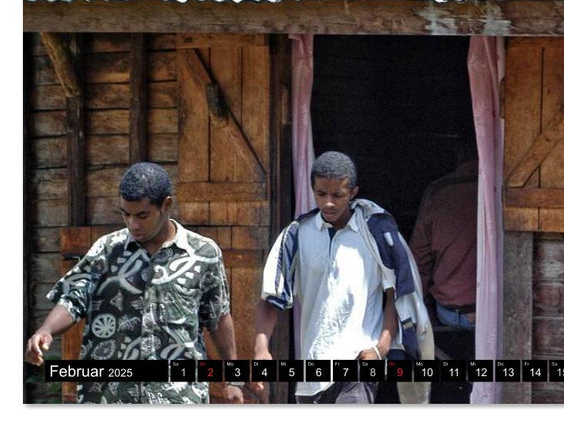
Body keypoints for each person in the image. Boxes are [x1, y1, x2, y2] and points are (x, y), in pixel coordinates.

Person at [24, 162, 243, 404]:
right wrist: (45, 330)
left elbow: (219, 317)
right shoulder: (106, 250)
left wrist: (232, 379)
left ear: (166, 205)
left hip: (179, 397)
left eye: (142, 215)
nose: (132, 224)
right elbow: (72, 299)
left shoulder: (203, 253)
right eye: (125, 214)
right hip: (110, 396)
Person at [254, 151, 433, 404]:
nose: (328, 203)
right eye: (321, 194)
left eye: (337, 195)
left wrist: (381, 347)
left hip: (359, 363)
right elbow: (271, 297)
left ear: (353, 192)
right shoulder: (296, 235)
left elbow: (394, 292)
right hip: (312, 373)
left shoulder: (373, 234)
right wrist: (261, 349)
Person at [410, 144, 478, 332]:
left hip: (448, 311)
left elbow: (419, 259)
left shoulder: (438, 191)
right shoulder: (500, 189)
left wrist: (425, 315)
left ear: (459, 154)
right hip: (494, 312)